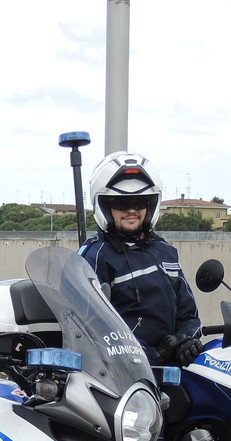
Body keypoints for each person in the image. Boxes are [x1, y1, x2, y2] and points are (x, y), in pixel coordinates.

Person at [78, 152, 203, 367]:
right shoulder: (94, 256)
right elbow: (90, 325)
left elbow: (188, 313)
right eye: (120, 202)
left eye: (140, 201)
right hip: (123, 370)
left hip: (172, 369)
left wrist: (186, 341)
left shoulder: (165, 252)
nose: (131, 210)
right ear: (105, 206)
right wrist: (149, 353)